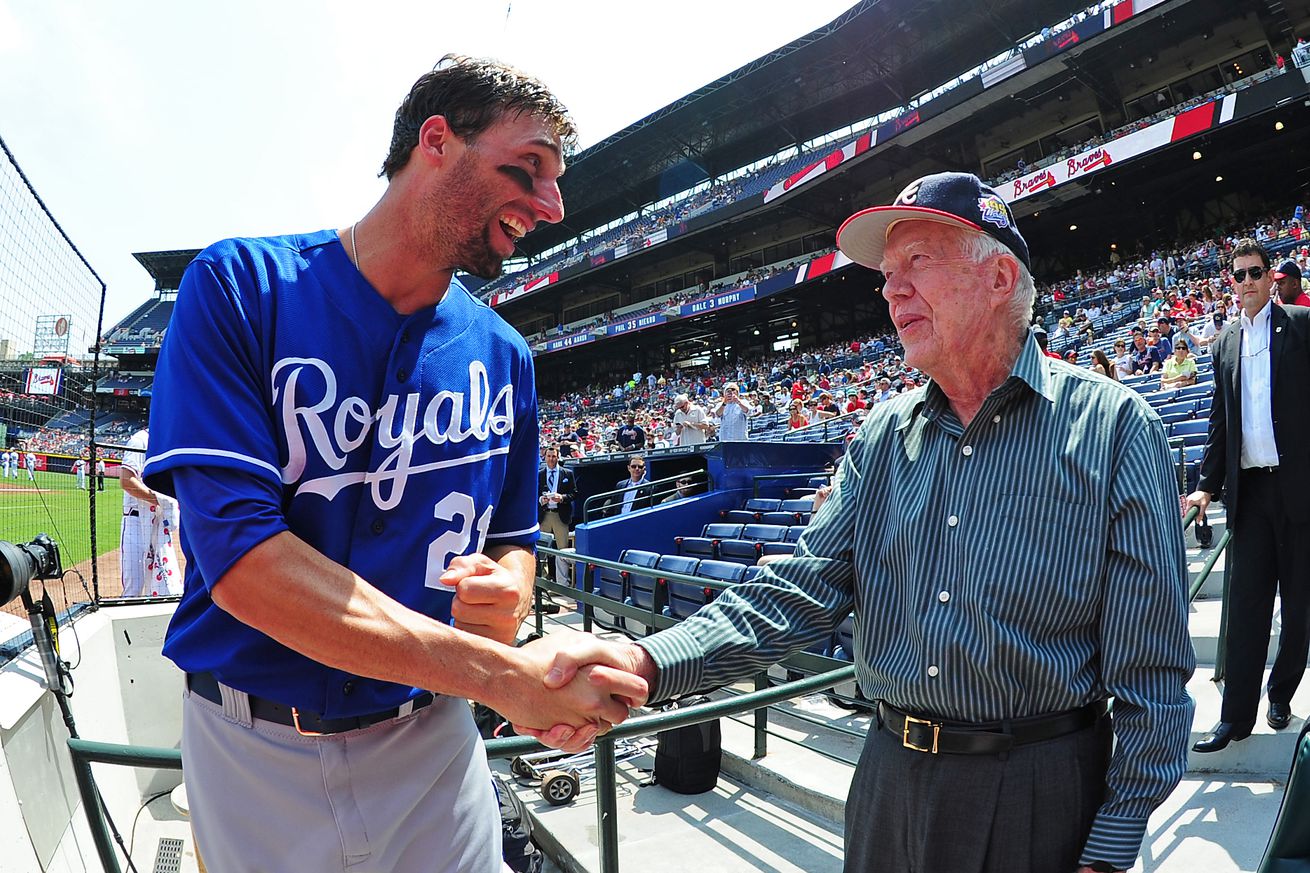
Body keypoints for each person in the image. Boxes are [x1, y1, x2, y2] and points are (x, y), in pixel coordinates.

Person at [530, 172, 1194, 873]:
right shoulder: (881, 433)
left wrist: (1112, 842)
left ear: (999, 276)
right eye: (886, 273)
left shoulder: (1115, 425)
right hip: (888, 780)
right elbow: (793, 593)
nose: (889, 290)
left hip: (1039, 787)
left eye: (917, 263)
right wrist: (644, 660)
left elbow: (1151, 675)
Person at [139, 56, 646, 873]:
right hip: (253, 744)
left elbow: (517, 536)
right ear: (435, 142)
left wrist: (513, 584)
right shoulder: (241, 287)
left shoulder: (505, 355)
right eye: (527, 168)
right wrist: (501, 674)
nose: (552, 205)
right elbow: (242, 564)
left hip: (430, 738)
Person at [1189, 238, 1310, 752]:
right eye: (1238, 275)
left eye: (1255, 272)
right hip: (1250, 493)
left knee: (1300, 604)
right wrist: (1204, 486)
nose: (1247, 282)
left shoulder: (1302, 328)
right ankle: (1235, 717)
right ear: (1230, 283)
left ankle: (1281, 693)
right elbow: (1221, 423)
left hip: (1298, 486)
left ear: (1272, 277)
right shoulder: (1224, 345)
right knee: (1246, 607)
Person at [119, 427, 182, 597]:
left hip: (159, 523)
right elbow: (126, 481)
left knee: (164, 585)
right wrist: (161, 500)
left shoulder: (168, 442)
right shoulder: (140, 440)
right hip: (136, 522)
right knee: (134, 587)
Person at [536, 445, 575, 583]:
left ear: (558, 457)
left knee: (562, 551)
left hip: (560, 515)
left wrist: (562, 498)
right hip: (544, 515)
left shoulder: (567, 473)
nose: (551, 459)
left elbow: (574, 494)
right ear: (545, 457)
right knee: (541, 551)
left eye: (554, 456)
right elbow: (533, 494)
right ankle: (543, 582)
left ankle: (562, 583)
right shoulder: (539, 474)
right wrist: (541, 499)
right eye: (549, 456)